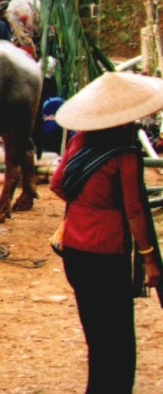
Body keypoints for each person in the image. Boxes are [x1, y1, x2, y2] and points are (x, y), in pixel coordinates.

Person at [51, 72, 163, 394]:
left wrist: (88, 204)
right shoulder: (125, 155)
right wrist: (149, 258)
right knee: (118, 340)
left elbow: (58, 184)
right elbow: (135, 211)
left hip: (74, 251)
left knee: (96, 336)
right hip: (107, 254)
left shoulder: (79, 141)